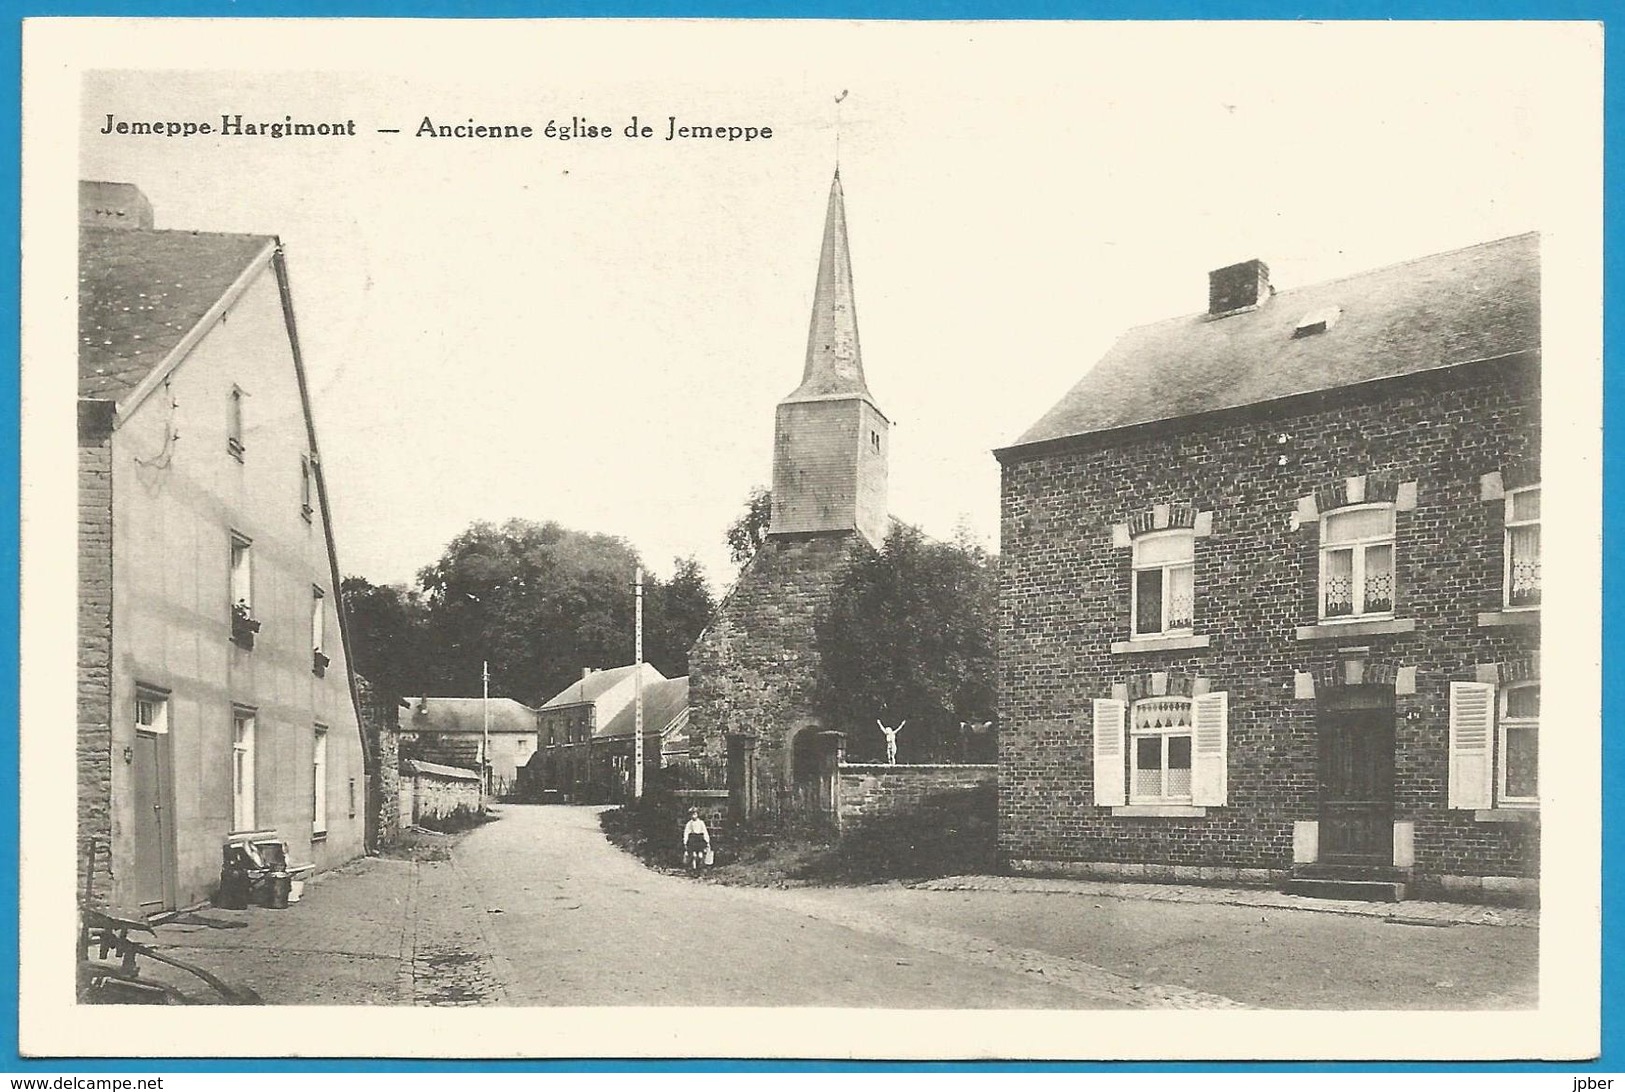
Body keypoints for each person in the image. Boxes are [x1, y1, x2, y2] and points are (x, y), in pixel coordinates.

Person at [681, 807, 711, 876]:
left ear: (697, 814)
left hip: (699, 840)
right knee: (693, 855)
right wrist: (685, 842)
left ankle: (699, 869)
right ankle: (693, 870)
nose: (693, 816)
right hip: (692, 840)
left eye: (695, 814)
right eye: (691, 814)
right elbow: (686, 833)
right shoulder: (689, 824)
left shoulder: (701, 823)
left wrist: (707, 841)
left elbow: (705, 832)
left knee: (700, 856)